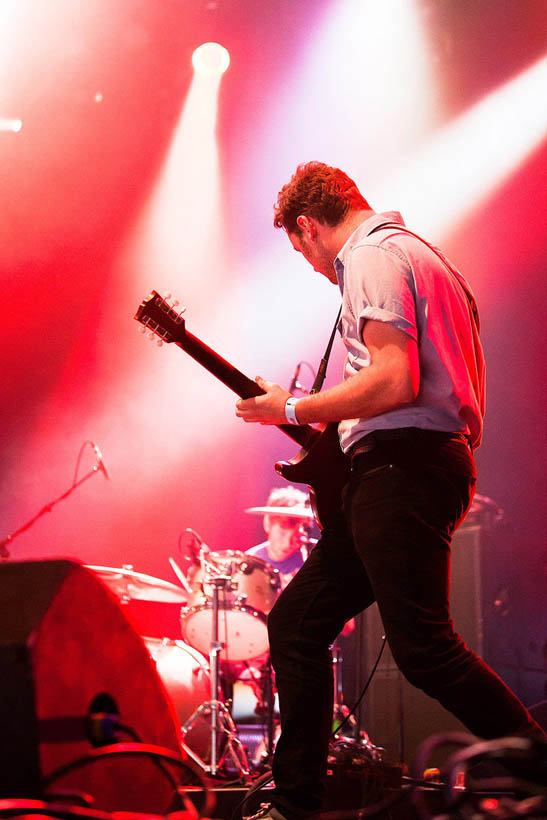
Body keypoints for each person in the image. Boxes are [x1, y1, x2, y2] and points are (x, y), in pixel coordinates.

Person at [235, 162, 544, 820]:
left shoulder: (370, 256)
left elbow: (394, 381)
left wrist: (290, 408)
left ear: (307, 226)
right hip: (412, 466)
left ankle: (541, 767)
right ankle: (293, 805)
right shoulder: (425, 257)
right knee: (296, 625)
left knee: (425, 649)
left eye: (301, 252)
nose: (313, 267)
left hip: (402, 468)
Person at [246, 486, 314, 589]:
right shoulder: (249, 562)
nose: (289, 542)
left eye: (298, 535)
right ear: (267, 523)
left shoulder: (314, 555)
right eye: (284, 529)